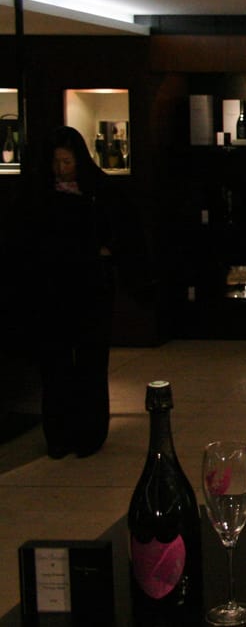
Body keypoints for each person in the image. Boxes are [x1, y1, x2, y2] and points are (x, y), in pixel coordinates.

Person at [18, 126, 141, 458]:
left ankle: (89, 433)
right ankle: (59, 434)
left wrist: (106, 251)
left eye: (67, 162)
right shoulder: (39, 195)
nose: (61, 169)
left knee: (90, 361)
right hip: (52, 288)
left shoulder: (99, 191)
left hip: (90, 287)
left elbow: (123, 230)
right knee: (55, 363)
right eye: (56, 162)